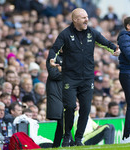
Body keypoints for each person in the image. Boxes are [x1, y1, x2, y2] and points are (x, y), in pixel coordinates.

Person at [49, 8, 120, 146]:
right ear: (75, 20)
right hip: (69, 77)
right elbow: (54, 49)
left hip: (87, 78)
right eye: (83, 17)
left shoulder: (92, 33)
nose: (87, 19)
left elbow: (105, 42)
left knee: (86, 109)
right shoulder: (65, 34)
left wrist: (115, 49)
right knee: (69, 107)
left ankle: (79, 138)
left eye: (87, 17)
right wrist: (52, 59)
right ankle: (67, 135)